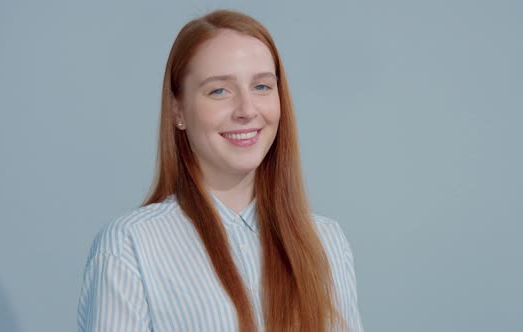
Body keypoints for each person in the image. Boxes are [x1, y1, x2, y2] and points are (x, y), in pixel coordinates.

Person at [77, 9, 363, 332]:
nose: (246, 110)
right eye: (219, 91)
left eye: (262, 87)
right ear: (178, 110)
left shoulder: (326, 242)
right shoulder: (130, 246)